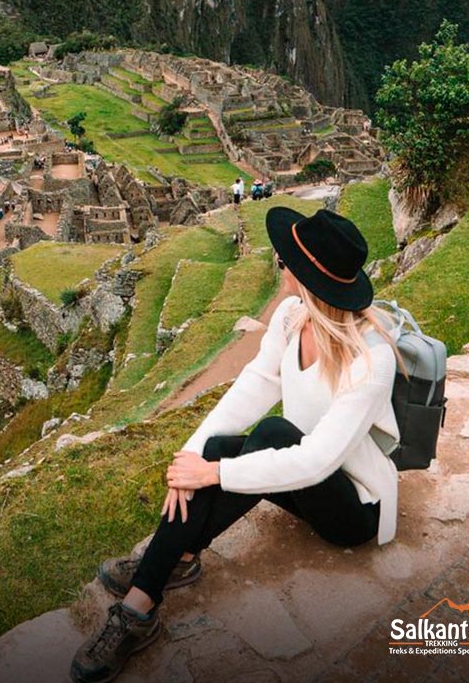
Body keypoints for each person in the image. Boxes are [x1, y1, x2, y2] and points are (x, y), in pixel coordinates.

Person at [70, 207, 404, 683]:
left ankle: (137, 609)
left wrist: (215, 474)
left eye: (285, 260)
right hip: (304, 478)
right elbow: (252, 388)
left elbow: (316, 460)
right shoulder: (293, 316)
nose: (279, 265)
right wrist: (190, 458)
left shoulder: (372, 359)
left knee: (269, 438)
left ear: (305, 276)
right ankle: (176, 561)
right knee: (217, 446)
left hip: (353, 507)